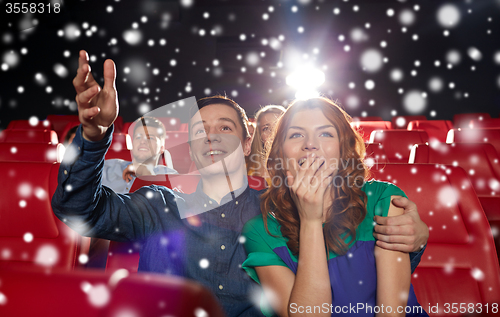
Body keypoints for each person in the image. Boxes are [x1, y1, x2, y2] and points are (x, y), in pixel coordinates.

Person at [52, 50, 428, 316]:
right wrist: (95, 136)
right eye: (201, 130)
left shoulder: (281, 210)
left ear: (248, 142)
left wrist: (415, 236)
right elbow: (78, 210)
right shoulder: (157, 205)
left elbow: (350, 254)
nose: (212, 137)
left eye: (225, 128)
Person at [242, 97, 428, 316]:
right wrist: (310, 221)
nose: (310, 144)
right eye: (296, 134)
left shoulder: (383, 200)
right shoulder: (259, 230)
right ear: (280, 153)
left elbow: (391, 313)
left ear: (343, 149)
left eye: (325, 133)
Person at [102, 116, 177, 195]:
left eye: (150, 138)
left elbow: (173, 204)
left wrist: (147, 174)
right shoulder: (108, 167)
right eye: (138, 137)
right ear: (132, 143)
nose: (142, 141)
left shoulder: (170, 177)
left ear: (162, 148)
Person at [247, 105, 286, 184]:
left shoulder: (302, 165)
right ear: (259, 135)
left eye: (278, 126)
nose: (273, 133)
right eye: (266, 128)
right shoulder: (246, 169)